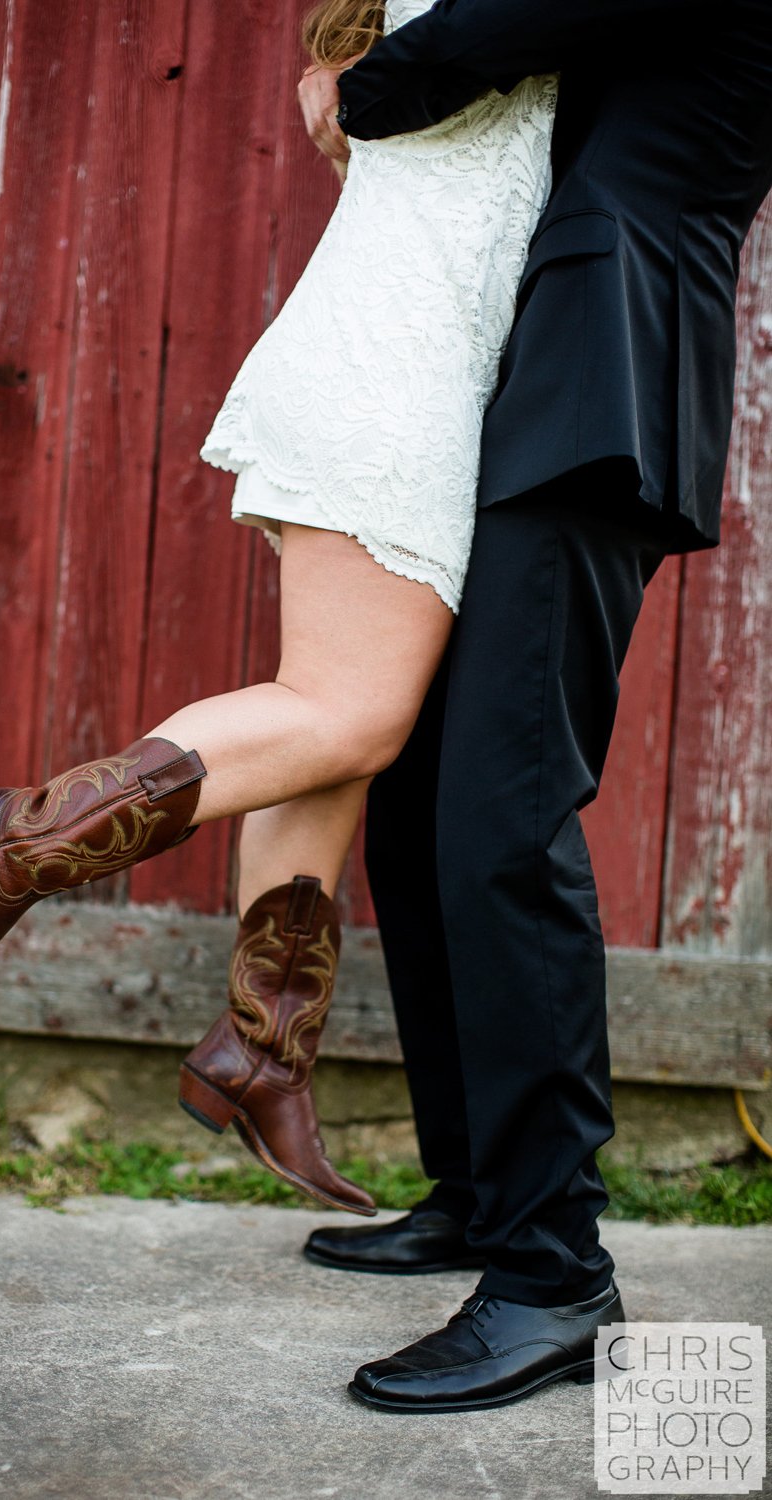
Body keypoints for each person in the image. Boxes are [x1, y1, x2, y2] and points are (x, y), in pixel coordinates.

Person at [0, 4, 555, 1223]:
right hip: (396, 375)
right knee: (346, 714)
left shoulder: (395, 49)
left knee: (324, 739)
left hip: (401, 367)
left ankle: (263, 1057)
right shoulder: (464, 22)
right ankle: (7, 845)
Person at [295, 0, 772, 1414]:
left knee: (503, 819)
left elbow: (508, 24)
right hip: (527, 373)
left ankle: (552, 1275)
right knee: (421, 797)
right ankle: (474, 1185)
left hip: (602, 367)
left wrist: (357, 82)